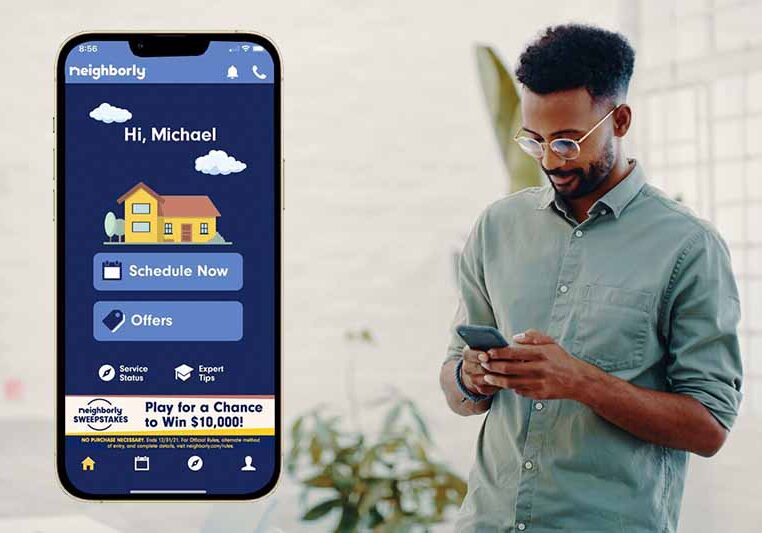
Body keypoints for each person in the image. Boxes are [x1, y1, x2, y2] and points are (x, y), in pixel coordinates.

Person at [440, 23, 743, 532]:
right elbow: (454, 383)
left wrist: (580, 381)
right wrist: (471, 377)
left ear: (619, 119)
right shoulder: (497, 228)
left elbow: (709, 426)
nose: (549, 160)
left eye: (566, 141)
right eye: (534, 140)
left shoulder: (688, 247)